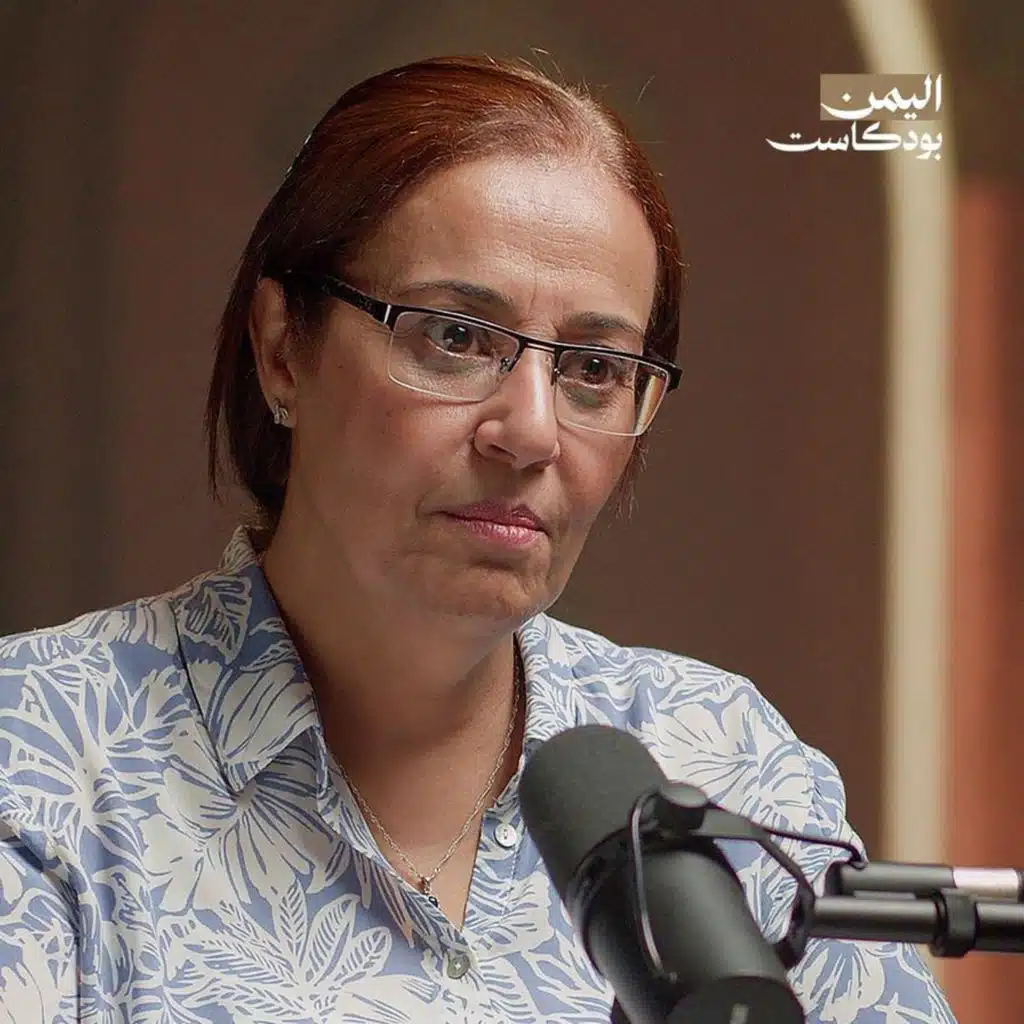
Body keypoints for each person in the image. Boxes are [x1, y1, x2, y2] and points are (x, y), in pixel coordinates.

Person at [0, 56, 956, 1023]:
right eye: (454, 337)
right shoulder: (41, 754)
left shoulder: (722, 762)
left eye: (594, 368)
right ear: (283, 348)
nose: (532, 431)